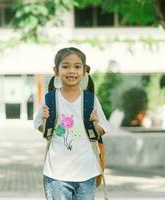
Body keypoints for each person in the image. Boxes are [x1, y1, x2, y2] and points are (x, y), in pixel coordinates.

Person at [34, 47, 111, 200]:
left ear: (84, 71)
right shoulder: (50, 99)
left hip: (86, 172)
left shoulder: (90, 99)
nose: (71, 71)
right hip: (57, 174)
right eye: (65, 66)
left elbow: (104, 128)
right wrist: (44, 121)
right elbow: (39, 126)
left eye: (77, 66)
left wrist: (95, 123)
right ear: (56, 70)